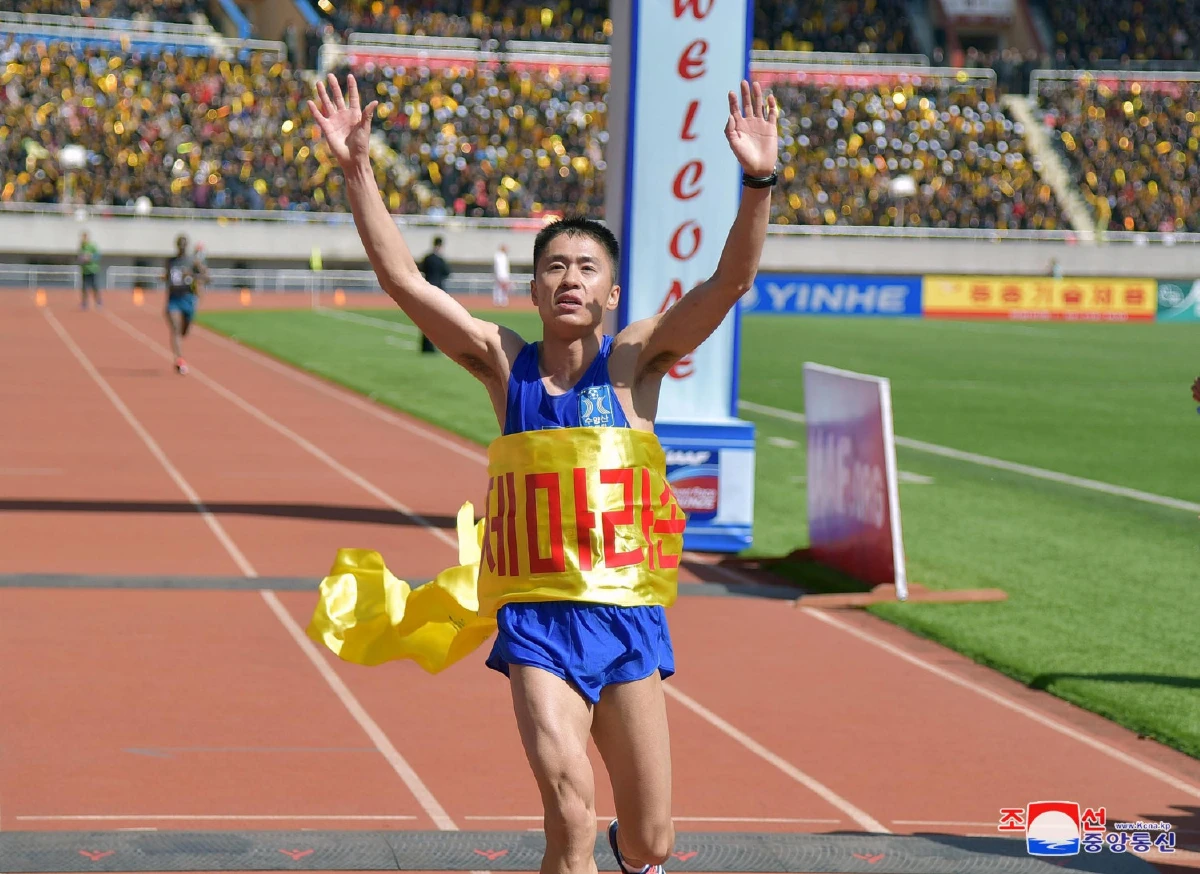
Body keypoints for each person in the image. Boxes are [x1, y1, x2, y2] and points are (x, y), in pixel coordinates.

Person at [308, 73, 778, 874]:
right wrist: (357, 171)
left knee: (651, 838)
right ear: (531, 287)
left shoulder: (635, 362)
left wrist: (759, 181)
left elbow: (729, 283)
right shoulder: (504, 364)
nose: (570, 277)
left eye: (587, 267)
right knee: (568, 806)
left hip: (625, 615)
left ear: (611, 290)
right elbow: (403, 282)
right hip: (537, 618)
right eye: (554, 266)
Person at [164, 234, 200, 375]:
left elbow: (207, 276)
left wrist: (191, 275)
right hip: (173, 299)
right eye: (180, 244)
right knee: (175, 329)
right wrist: (164, 277)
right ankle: (180, 359)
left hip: (188, 298)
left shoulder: (193, 261)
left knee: (184, 331)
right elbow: (168, 276)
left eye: (184, 244)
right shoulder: (171, 261)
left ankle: (180, 354)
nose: (182, 247)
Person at [417, 236, 452, 354]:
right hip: (438, 291)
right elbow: (447, 272)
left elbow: (420, 269)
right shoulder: (440, 259)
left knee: (426, 318)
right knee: (437, 319)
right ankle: (432, 345)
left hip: (427, 289)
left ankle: (425, 346)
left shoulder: (427, 258)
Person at [78, 232, 102, 309]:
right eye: (82, 237)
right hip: (85, 270)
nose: (84, 239)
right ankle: (84, 303)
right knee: (84, 287)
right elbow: (79, 257)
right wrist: (82, 259)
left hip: (93, 270)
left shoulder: (92, 245)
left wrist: (90, 257)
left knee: (95, 286)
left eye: (85, 237)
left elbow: (98, 255)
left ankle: (98, 302)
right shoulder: (82, 246)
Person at [493, 242, 511, 307]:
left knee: (504, 288)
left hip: (505, 274)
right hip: (500, 274)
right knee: (498, 288)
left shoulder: (505, 256)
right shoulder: (498, 256)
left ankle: (503, 300)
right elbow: (498, 267)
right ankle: (497, 300)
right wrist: (499, 275)